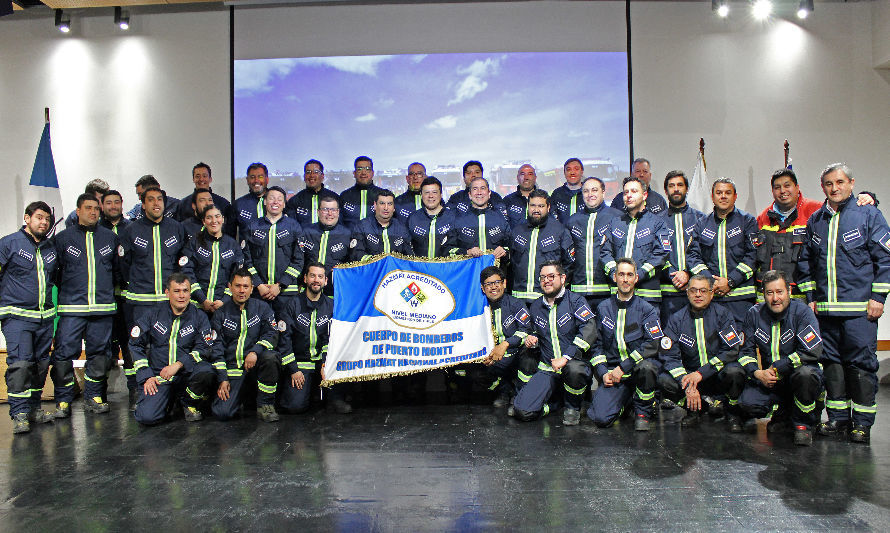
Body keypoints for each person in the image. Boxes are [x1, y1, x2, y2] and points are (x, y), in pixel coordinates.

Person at [798, 163, 890, 445]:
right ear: (822, 187)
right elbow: (806, 263)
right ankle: (838, 419)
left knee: (861, 367)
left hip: (860, 312)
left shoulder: (869, 214)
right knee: (832, 366)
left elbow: (884, 259)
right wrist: (812, 299)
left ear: (851, 183)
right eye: (828, 184)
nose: (834, 188)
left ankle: (862, 424)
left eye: (840, 182)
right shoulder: (815, 220)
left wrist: (878, 298)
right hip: (826, 312)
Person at [51, 193, 120, 418]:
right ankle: (63, 399)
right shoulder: (62, 239)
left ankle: (93, 396)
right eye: (88, 208)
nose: (93, 212)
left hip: (102, 309)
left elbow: (117, 272)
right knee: (63, 354)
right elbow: (55, 273)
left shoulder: (109, 238)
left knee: (99, 355)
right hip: (72, 309)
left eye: (96, 209)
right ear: (78, 211)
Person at [754, 168, 874, 296]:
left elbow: (844, 213)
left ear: (797, 187)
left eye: (787, 185)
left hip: (805, 299)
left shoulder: (816, 212)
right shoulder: (763, 218)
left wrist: (867, 198)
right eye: (777, 187)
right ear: (772, 191)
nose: (782, 191)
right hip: (769, 301)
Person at [737, 270, 824, 446]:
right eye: (770, 293)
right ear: (763, 295)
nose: (775, 298)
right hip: (771, 379)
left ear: (789, 292)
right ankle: (783, 414)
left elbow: (812, 350)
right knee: (747, 403)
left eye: (779, 292)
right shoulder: (754, 314)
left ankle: (804, 424)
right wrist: (757, 373)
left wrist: (780, 367)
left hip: (797, 376)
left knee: (806, 375)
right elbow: (745, 352)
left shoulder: (803, 312)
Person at [118, 185, 187, 399]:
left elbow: (183, 261)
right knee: (140, 346)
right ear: (143, 203)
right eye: (151, 200)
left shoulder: (176, 228)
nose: (156, 203)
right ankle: (141, 389)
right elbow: (123, 263)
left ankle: (167, 392)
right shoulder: (131, 230)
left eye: (159, 199)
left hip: (169, 303)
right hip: (140, 301)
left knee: (166, 347)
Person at [511, 261, 597, 426]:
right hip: (548, 369)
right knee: (522, 411)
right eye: (543, 277)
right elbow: (535, 331)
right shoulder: (536, 306)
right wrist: (532, 339)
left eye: (551, 276)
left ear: (562, 278)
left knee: (575, 370)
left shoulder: (576, 301)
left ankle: (573, 407)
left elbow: (589, 330)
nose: (546, 281)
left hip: (573, 365)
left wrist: (566, 357)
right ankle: (555, 405)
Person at [0, 201, 59, 433]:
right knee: (21, 364)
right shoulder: (9, 244)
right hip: (17, 318)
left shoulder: (50, 248)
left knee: (40, 365)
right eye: (39, 217)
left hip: (44, 318)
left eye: (47, 219)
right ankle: (20, 413)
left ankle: (34, 408)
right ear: (27, 218)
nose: (43, 222)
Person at [657, 274, 745, 429]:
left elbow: (731, 350)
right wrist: (688, 384)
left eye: (703, 290)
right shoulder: (676, 319)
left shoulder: (723, 315)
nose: (698, 294)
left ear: (712, 293)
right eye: (693, 290)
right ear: (687, 293)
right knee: (664, 380)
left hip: (716, 375)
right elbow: (669, 356)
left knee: (735, 372)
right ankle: (695, 410)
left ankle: (731, 412)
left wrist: (702, 373)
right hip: (690, 379)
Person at [587, 258, 663, 431]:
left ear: (636, 278)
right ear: (615, 277)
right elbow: (596, 344)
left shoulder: (647, 310)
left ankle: (643, 410)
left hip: (636, 371)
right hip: (613, 376)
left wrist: (624, 366)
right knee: (600, 418)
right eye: (621, 274)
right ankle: (627, 401)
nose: (625, 279)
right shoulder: (603, 308)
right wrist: (602, 372)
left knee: (647, 367)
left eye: (630, 275)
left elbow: (653, 344)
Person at [130, 273, 215, 425]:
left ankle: (188, 402)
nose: (182, 295)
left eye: (185, 290)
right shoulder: (152, 314)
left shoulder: (199, 316)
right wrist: (146, 376)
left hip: (187, 375)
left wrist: (179, 364)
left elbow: (204, 348)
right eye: (177, 291)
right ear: (167, 292)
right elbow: (135, 344)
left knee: (206, 371)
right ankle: (167, 400)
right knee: (146, 417)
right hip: (159, 376)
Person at [201, 268, 280, 422]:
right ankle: (240, 399)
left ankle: (265, 404)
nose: (241, 290)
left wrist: (255, 352)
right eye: (237, 286)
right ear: (230, 287)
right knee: (222, 413)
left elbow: (272, 334)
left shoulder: (262, 308)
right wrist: (223, 378)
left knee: (271, 357)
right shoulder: (220, 314)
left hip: (255, 368)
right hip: (232, 372)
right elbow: (216, 348)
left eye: (245, 286)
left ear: (252, 288)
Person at [276, 262, 351, 414]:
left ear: (325, 281)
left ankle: (333, 398)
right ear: (305, 279)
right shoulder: (292, 304)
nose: (316, 280)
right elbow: (284, 341)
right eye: (312, 276)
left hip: (323, 364)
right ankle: (307, 396)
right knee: (295, 407)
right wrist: (293, 370)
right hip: (300, 363)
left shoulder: (332, 305)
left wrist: (325, 363)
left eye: (320, 276)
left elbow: (330, 339)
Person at [695, 178, 758, 325]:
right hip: (712, 297)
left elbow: (753, 256)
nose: (723, 196)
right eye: (719, 192)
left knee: (742, 344)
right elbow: (693, 257)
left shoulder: (748, 221)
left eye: (728, 192)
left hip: (741, 298)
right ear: (712, 197)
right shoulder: (702, 224)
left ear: (735, 196)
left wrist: (730, 281)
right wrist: (711, 281)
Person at [601, 177, 671, 303]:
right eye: (626, 192)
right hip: (618, 296)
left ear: (644, 195)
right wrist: (615, 273)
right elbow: (604, 252)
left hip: (647, 296)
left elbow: (661, 255)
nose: (629, 195)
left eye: (634, 191)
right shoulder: (615, 223)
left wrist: (639, 274)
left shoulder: (657, 223)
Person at [242, 186, 305, 315]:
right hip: (258, 293)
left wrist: (280, 285)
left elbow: (298, 261)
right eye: (271, 198)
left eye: (279, 199)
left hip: (286, 294)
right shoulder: (253, 227)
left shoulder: (294, 227)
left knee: (285, 332)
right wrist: (259, 285)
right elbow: (246, 260)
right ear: (265, 201)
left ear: (284, 203)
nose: (275, 202)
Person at [479, 266, 535, 409]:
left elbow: (526, 330)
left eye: (497, 282)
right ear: (482, 288)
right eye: (488, 284)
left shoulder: (516, 304)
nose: (493, 287)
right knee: (472, 371)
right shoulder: (477, 308)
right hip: (490, 357)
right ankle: (503, 391)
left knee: (528, 359)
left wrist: (506, 344)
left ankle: (519, 394)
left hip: (515, 354)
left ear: (504, 283)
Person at [566, 177, 622, 311]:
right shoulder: (573, 220)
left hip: (608, 291)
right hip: (578, 292)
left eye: (594, 190)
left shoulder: (617, 217)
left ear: (603, 192)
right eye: (586, 191)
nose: (590, 194)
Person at [659, 170, 707, 324]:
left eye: (680, 185)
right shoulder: (656, 221)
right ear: (666, 190)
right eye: (671, 186)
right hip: (667, 295)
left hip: (696, 292)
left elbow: (705, 253)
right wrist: (673, 275)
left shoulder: (701, 219)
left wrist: (687, 273)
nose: (676, 189)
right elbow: (655, 254)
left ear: (687, 189)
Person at [509, 189, 573, 301]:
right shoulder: (517, 231)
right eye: (533, 205)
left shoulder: (559, 231)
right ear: (528, 206)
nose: (536, 210)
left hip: (548, 299)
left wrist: (557, 290)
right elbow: (512, 265)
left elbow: (569, 264)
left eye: (541, 206)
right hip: (518, 298)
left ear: (548, 207)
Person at [99, 190, 133, 401]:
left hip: (128, 299)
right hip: (103, 300)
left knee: (129, 344)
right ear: (103, 206)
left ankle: (135, 390)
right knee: (102, 346)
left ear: (122, 204)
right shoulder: (97, 231)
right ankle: (98, 392)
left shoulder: (132, 229)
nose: (113, 206)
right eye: (108, 203)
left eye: (116, 202)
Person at [180, 204, 244, 315]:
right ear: (204, 222)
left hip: (223, 307)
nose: (214, 221)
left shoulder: (233, 245)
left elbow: (236, 276)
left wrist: (224, 300)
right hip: (195, 307)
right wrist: (202, 299)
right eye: (209, 217)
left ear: (223, 219)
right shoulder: (194, 243)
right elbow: (186, 272)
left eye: (217, 216)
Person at [299, 194, 352, 295]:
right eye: (325, 209)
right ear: (318, 212)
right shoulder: (306, 232)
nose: (329, 213)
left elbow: (352, 263)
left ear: (338, 212)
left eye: (333, 210)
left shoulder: (347, 235)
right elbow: (299, 260)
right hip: (308, 292)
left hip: (335, 292)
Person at [449, 177, 511, 261]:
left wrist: (505, 250)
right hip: (469, 271)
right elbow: (448, 249)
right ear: (469, 195)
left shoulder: (500, 218)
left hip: (495, 271)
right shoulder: (458, 220)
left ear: (489, 193)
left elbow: (511, 246)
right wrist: (467, 252)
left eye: (483, 188)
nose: (479, 192)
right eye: (475, 189)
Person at [350, 190, 414, 260]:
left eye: (389, 204)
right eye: (382, 203)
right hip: (371, 269)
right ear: (375, 205)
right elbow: (356, 254)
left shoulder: (402, 228)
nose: (386, 208)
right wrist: (378, 263)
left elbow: (409, 257)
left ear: (394, 207)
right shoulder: (362, 226)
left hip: (395, 270)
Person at [176, 162, 236, 237]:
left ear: (210, 179)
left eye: (204, 176)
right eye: (197, 176)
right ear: (193, 179)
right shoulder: (183, 204)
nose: (201, 179)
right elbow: (178, 230)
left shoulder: (223, 204)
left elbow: (230, 232)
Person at [406, 177, 457, 259]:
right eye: (426, 192)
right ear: (421, 195)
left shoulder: (453, 217)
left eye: (434, 192)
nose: (430, 196)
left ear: (441, 194)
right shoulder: (413, 218)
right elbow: (405, 247)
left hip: (446, 269)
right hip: (419, 270)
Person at [286, 159, 341, 227]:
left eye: (316, 172)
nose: (312, 175)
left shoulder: (335, 198)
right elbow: (292, 227)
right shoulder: (295, 200)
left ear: (322, 176)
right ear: (304, 176)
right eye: (308, 172)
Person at [339, 156, 384, 229]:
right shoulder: (344, 196)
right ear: (354, 173)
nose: (363, 173)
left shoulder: (383, 195)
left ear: (372, 173)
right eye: (359, 169)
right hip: (350, 239)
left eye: (367, 169)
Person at [233, 162, 270, 239]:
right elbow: (230, 236)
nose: (256, 180)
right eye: (252, 177)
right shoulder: (238, 204)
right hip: (247, 250)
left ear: (267, 179)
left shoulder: (277, 203)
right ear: (247, 180)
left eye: (260, 177)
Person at [503, 164, 541, 228]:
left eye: (530, 174)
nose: (526, 178)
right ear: (517, 178)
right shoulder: (507, 200)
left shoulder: (545, 200)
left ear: (535, 178)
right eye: (522, 174)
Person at [551, 158, 585, 224]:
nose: (572, 172)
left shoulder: (589, 194)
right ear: (564, 173)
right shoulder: (557, 194)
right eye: (568, 169)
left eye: (576, 169)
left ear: (582, 172)